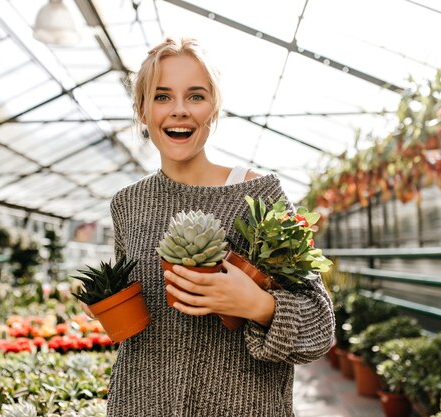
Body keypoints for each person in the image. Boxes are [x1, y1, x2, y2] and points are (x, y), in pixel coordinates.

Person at [86, 37, 334, 417]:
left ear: (213, 107)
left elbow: (319, 326)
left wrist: (259, 305)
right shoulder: (128, 204)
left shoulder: (258, 195)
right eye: (162, 96)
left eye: (196, 96)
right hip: (139, 404)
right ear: (142, 110)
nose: (179, 111)